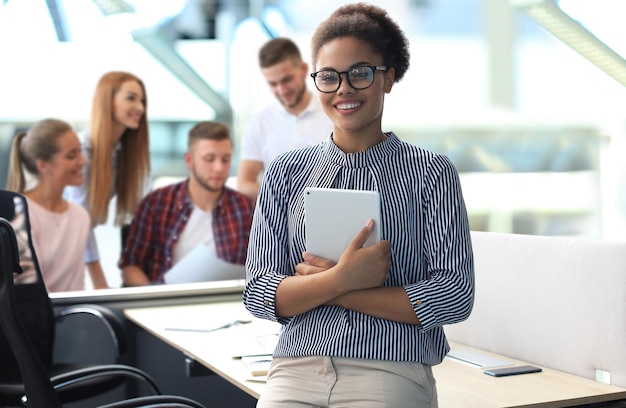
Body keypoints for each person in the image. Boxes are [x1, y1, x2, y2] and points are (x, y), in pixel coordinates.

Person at [243, 3, 475, 407]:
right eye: (329, 77)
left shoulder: (431, 172)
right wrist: (341, 279)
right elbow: (259, 291)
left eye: (360, 74)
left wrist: (330, 287)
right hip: (295, 367)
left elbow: (453, 295)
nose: (343, 89)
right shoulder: (285, 172)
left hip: (390, 368)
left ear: (388, 78)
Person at [119, 121, 255, 286]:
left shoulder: (246, 208)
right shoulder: (156, 204)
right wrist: (153, 299)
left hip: (226, 302)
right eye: (209, 159)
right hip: (166, 302)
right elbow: (131, 265)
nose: (219, 168)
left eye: (226, 159)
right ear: (189, 160)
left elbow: (263, 264)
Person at [64, 71, 151, 289]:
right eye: (131, 98)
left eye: (142, 100)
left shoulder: (119, 152)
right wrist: (101, 286)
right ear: (107, 101)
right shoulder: (82, 152)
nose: (140, 107)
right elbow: (80, 223)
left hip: (71, 253)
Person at [236, 37, 333, 199]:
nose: (281, 90)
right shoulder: (260, 123)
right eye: (273, 84)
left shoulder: (333, 115)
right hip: (278, 221)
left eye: (287, 80)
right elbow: (244, 184)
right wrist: (286, 197)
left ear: (303, 69)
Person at [7, 118, 91, 292]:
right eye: (71, 155)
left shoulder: (80, 216)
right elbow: (25, 288)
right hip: (35, 315)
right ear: (43, 165)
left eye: (80, 152)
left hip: (72, 314)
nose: (83, 161)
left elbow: (77, 287)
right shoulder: (20, 214)